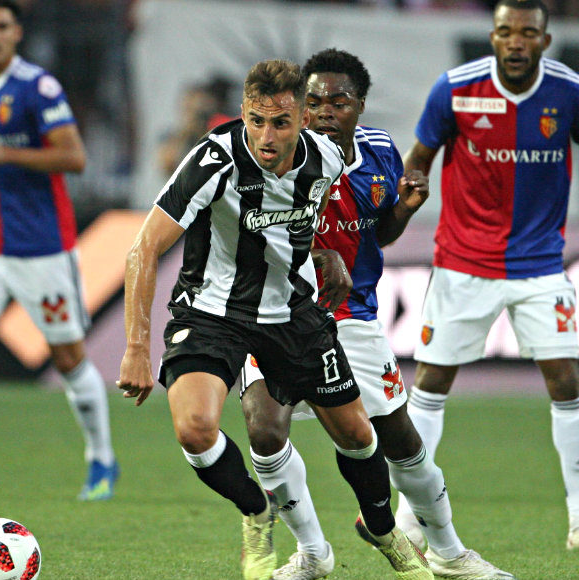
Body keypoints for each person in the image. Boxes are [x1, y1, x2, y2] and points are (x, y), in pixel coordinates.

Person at [394, 0, 579, 553]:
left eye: (527, 33)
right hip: (463, 261)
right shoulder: (455, 89)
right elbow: (420, 155)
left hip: (539, 264)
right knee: (431, 384)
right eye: (506, 31)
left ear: (545, 40)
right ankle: (408, 517)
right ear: (493, 36)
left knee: (566, 381)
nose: (516, 41)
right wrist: (403, 204)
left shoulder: (571, 91)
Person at [116, 59, 432, 580]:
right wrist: (135, 347)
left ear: (303, 120)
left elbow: (310, 226)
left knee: (358, 435)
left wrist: (326, 256)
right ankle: (256, 511)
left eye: (280, 123)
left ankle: (384, 531)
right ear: (244, 113)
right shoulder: (213, 161)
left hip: (291, 312)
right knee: (195, 428)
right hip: (212, 311)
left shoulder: (327, 157)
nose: (266, 136)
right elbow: (143, 249)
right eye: (256, 120)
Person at [239, 49, 514, 580]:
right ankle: (313, 553)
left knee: (401, 444)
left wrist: (403, 209)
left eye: (338, 101)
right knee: (265, 431)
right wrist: (313, 255)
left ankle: (449, 552)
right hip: (277, 313)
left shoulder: (381, 153)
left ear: (360, 105)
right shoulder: (273, 159)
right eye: (312, 101)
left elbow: (378, 232)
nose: (324, 110)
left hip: (352, 318)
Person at [0, 0, 119, 502]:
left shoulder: (39, 87)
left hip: (42, 249)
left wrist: (4, 152)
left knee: (68, 357)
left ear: (17, 33)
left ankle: (101, 460)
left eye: (1, 26)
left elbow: (74, 157)